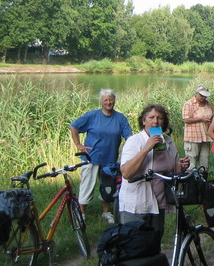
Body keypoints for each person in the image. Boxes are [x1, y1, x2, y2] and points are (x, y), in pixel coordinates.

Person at [118, 103, 190, 239]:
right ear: (143, 121)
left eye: (159, 118)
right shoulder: (134, 141)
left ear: (164, 123)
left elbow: (173, 168)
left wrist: (181, 164)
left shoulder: (167, 141)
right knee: (133, 245)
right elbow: (126, 173)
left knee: (154, 243)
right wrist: (146, 148)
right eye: (151, 117)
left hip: (158, 202)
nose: (155, 121)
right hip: (137, 202)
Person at [70, 89, 132, 224]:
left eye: (111, 99)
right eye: (106, 100)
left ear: (114, 100)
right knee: (87, 185)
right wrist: (78, 144)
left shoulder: (120, 118)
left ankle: (106, 212)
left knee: (108, 187)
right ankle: (82, 213)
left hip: (110, 159)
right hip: (91, 157)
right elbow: (74, 126)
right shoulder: (93, 115)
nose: (109, 102)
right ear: (101, 102)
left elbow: (129, 136)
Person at [182, 84, 214, 169]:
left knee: (204, 162)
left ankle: (203, 179)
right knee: (191, 163)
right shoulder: (188, 104)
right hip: (193, 137)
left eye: (205, 96)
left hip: (205, 137)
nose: (203, 97)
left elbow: (212, 115)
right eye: (201, 95)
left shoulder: (208, 104)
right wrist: (200, 119)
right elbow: (186, 120)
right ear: (196, 93)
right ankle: (189, 180)